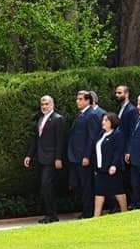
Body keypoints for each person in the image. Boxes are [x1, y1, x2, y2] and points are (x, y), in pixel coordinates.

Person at [24, 95, 65, 224]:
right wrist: (29, 155)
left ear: (52, 105)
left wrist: (58, 158)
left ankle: (52, 215)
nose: (44, 106)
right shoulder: (41, 119)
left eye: (47, 104)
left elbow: (60, 140)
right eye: (42, 104)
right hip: (41, 158)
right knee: (44, 187)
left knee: (46, 185)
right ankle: (49, 213)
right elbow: (36, 139)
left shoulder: (58, 119)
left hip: (52, 159)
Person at [66, 91, 98, 218]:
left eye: (80, 99)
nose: (77, 101)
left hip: (83, 157)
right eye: (77, 99)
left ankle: (88, 212)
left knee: (86, 186)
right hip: (75, 156)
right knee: (78, 184)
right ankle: (84, 210)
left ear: (87, 101)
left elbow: (91, 137)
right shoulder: (81, 115)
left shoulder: (91, 115)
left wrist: (87, 156)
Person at [91, 112, 127, 217]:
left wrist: (114, 165)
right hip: (101, 169)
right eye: (103, 120)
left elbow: (118, 151)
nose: (103, 122)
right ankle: (96, 216)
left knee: (118, 190)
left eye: (106, 120)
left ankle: (125, 212)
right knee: (99, 192)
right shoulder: (101, 134)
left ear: (112, 122)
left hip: (112, 169)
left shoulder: (117, 134)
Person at [114, 85, 139, 154]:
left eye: (119, 93)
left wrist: (128, 150)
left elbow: (132, 131)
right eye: (116, 93)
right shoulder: (119, 108)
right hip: (118, 146)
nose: (116, 95)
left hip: (125, 148)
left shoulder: (132, 110)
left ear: (127, 94)